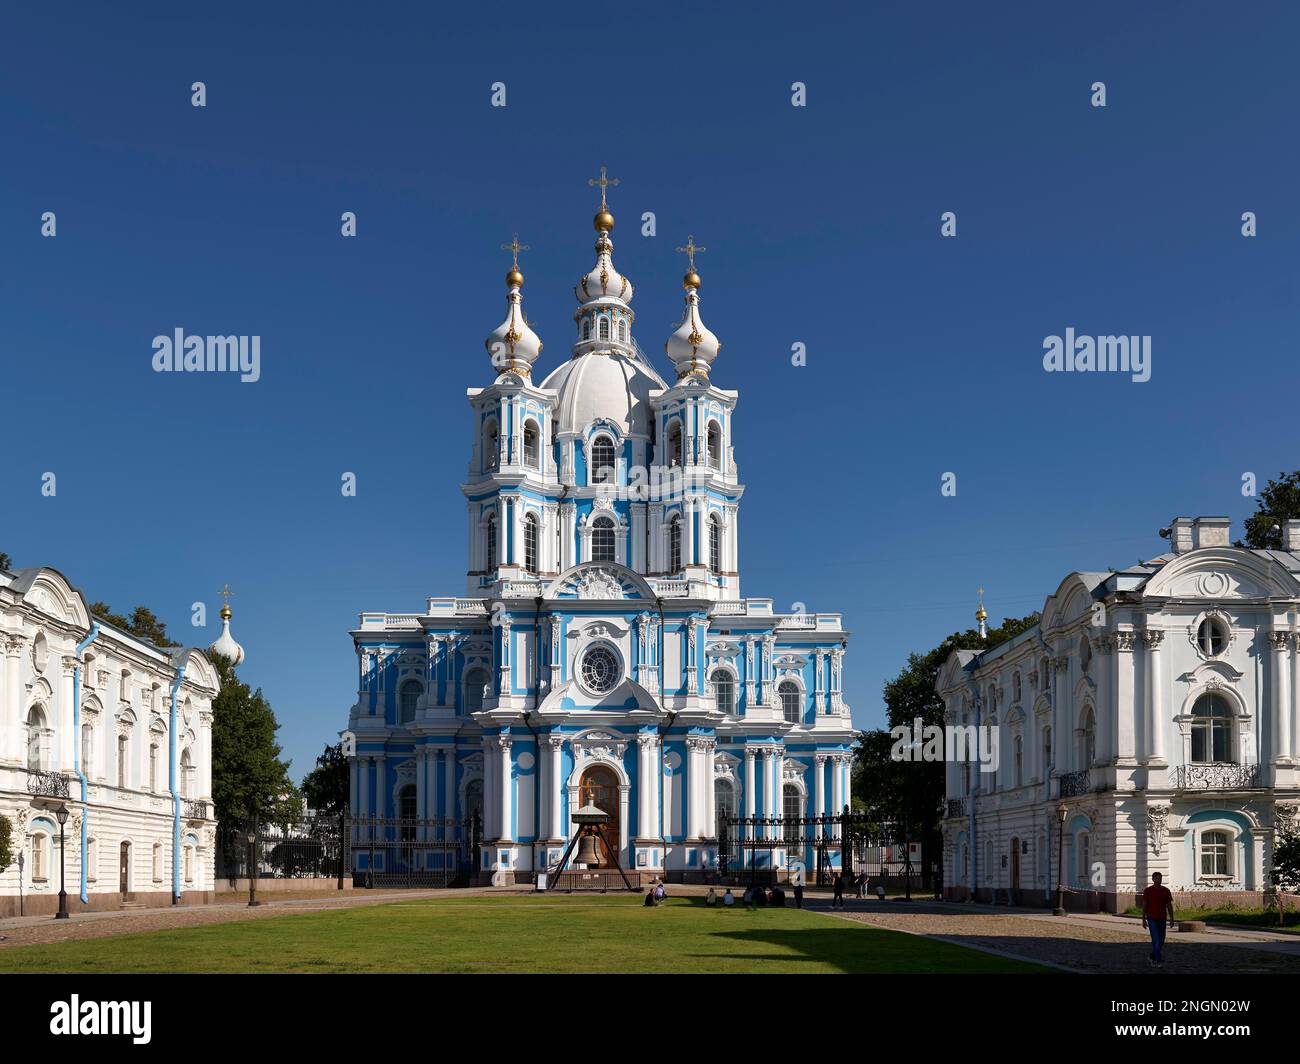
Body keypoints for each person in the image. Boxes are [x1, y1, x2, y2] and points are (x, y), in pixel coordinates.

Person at [1141, 871, 1175, 968]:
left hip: (1162, 918)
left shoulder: (1166, 891)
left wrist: (1172, 919)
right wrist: (1143, 919)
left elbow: (1169, 905)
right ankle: (1157, 960)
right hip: (1152, 918)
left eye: (1160, 878)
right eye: (1156, 878)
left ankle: (1152, 955)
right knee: (1155, 939)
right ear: (1153, 879)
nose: (1158, 880)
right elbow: (1144, 905)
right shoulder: (1148, 891)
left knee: (1161, 940)